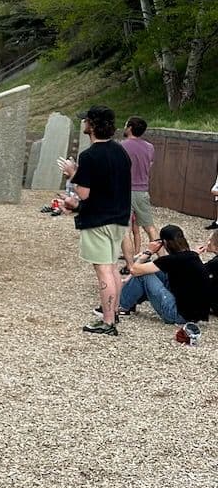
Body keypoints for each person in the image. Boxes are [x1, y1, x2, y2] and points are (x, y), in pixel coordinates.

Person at [58, 104, 132, 335]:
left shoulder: (89, 156)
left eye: (86, 120)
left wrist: (73, 173)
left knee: (104, 271)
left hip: (99, 220)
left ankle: (108, 322)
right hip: (119, 218)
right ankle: (114, 312)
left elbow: (84, 193)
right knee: (112, 267)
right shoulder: (121, 151)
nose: (83, 123)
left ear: (92, 125)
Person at [120, 225, 211, 326]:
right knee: (152, 270)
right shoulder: (192, 256)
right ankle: (131, 299)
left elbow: (134, 270)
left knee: (144, 275)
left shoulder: (172, 260)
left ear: (165, 243)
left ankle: (121, 306)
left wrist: (149, 251)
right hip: (195, 315)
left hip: (177, 315)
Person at [120, 116, 158, 266]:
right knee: (150, 227)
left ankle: (130, 265)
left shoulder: (121, 146)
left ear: (129, 128)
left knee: (125, 231)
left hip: (124, 192)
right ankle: (163, 259)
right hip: (142, 191)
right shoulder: (150, 147)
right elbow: (149, 166)